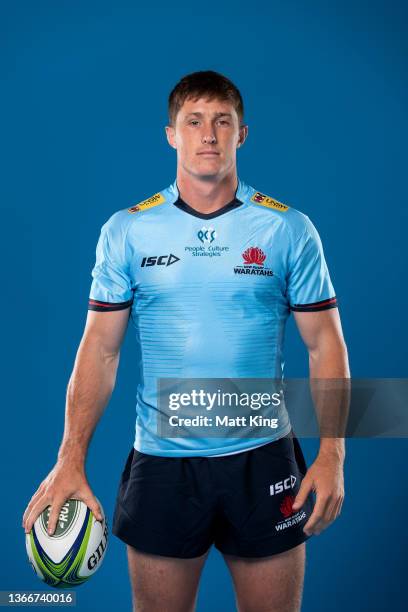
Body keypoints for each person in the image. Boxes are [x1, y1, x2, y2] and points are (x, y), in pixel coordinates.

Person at [23, 70, 349, 612]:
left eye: (222, 122)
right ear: (170, 134)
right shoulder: (127, 230)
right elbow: (100, 350)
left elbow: (326, 346)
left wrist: (334, 453)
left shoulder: (288, 230)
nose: (208, 135)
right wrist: (70, 457)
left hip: (263, 459)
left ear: (242, 133)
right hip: (164, 465)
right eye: (193, 122)